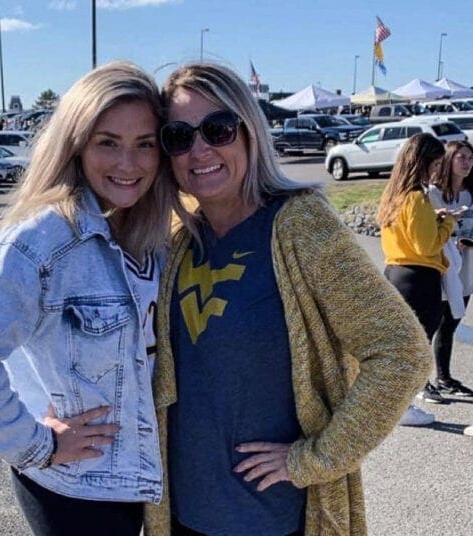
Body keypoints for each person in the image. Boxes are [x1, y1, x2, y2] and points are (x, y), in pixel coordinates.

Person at [142, 62, 432, 536]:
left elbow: (402, 354)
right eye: (179, 136)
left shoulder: (300, 225)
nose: (200, 150)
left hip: (273, 518)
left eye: (218, 129)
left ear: (249, 133)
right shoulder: (177, 239)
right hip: (182, 513)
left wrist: (317, 458)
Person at [0, 61, 175, 536]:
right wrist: (36, 444)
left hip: (134, 479)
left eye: (144, 144)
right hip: (77, 491)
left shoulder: (142, 231)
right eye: (108, 142)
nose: (129, 163)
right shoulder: (46, 238)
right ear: (76, 144)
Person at [377, 133, 457, 421]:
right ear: (423, 162)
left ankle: (395, 405)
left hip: (395, 273)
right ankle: (404, 408)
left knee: (400, 346)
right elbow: (427, 245)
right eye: (435, 163)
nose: (437, 169)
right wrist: (448, 222)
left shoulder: (393, 195)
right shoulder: (416, 197)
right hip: (419, 277)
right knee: (416, 348)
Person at [427, 141, 473, 398]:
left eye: (470, 158)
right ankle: (419, 383)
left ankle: (444, 377)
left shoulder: (470, 193)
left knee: (452, 322)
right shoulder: (432, 193)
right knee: (431, 323)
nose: (467, 163)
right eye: (461, 158)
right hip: (439, 266)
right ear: (448, 160)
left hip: (465, 268)